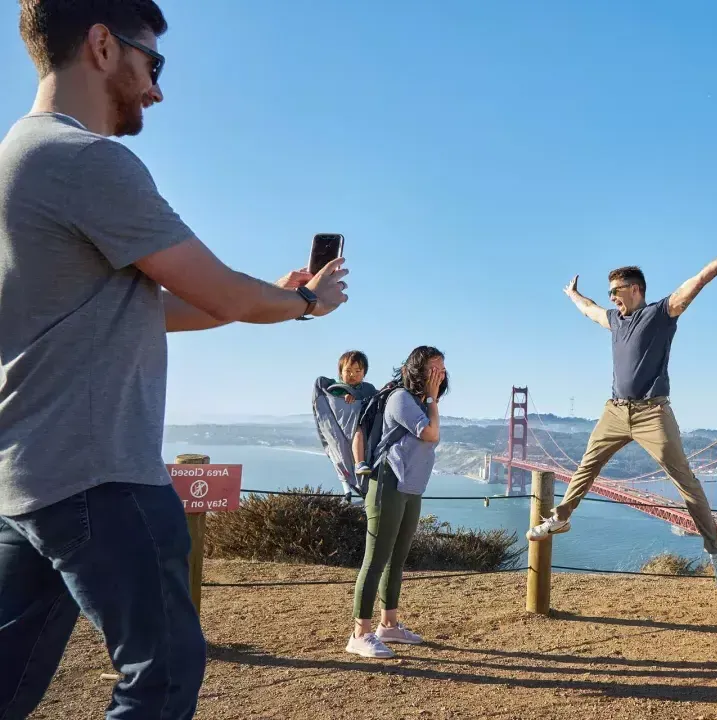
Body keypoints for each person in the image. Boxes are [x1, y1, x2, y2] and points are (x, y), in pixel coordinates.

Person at [0, 3, 348, 719]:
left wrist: (269, 299)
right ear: (101, 45)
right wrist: (308, 306)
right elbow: (214, 286)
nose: (157, 89)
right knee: (160, 677)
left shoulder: (17, 162)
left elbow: (164, 305)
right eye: (152, 64)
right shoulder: (85, 160)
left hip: (25, 480)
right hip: (101, 477)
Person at [526, 225, 717, 591]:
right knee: (586, 467)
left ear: (636, 289)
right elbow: (589, 310)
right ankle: (560, 518)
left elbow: (699, 279)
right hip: (614, 411)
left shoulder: (661, 314)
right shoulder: (614, 320)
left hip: (653, 413)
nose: (612, 298)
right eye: (609, 292)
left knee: (686, 483)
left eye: (617, 291)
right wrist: (574, 295)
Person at [347, 346, 447, 659]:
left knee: (397, 558)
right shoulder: (402, 399)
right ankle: (359, 634)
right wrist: (432, 397)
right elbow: (430, 434)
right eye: (434, 368)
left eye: (442, 368)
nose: (440, 374)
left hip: (410, 488)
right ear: (419, 371)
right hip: (387, 485)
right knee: (375, 559)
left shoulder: (420, 401)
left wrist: (432, 397)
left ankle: (388, 624)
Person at [312, 351, 379, 498]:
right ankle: (359, 463)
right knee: (358, 432)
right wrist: (344, 396)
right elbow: (333, 396)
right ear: (340, 372)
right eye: (347, 371)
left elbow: (378, 397)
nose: (352, 375)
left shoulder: (368, 388)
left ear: (364, 373)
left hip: (368, 426)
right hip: (350, 428)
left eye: (357, 371)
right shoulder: (338, 387)